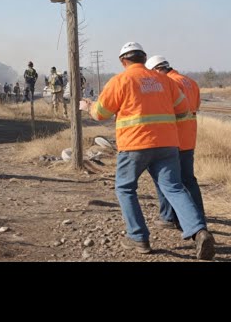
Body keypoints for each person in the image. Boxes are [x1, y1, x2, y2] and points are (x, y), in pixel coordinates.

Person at [79, 42, 214, 260]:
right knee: (174, 188)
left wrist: (88, 107)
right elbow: (182, 109)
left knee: (125, 189)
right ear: (144, 58)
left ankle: (138, 237)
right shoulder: (164, 81)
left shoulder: (120, 80)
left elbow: (101, 113)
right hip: (168, 145)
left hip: (134, 145)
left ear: (124, 61)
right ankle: (199, 231)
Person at [145, 55, 204, 230]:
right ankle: (197, 216)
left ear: (157, 70)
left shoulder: (167, 84)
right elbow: (196, 107)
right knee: (188, 179)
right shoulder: (190, 82)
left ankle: (169, 217)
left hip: (171, 138)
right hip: (189, 137)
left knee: (166, 180)